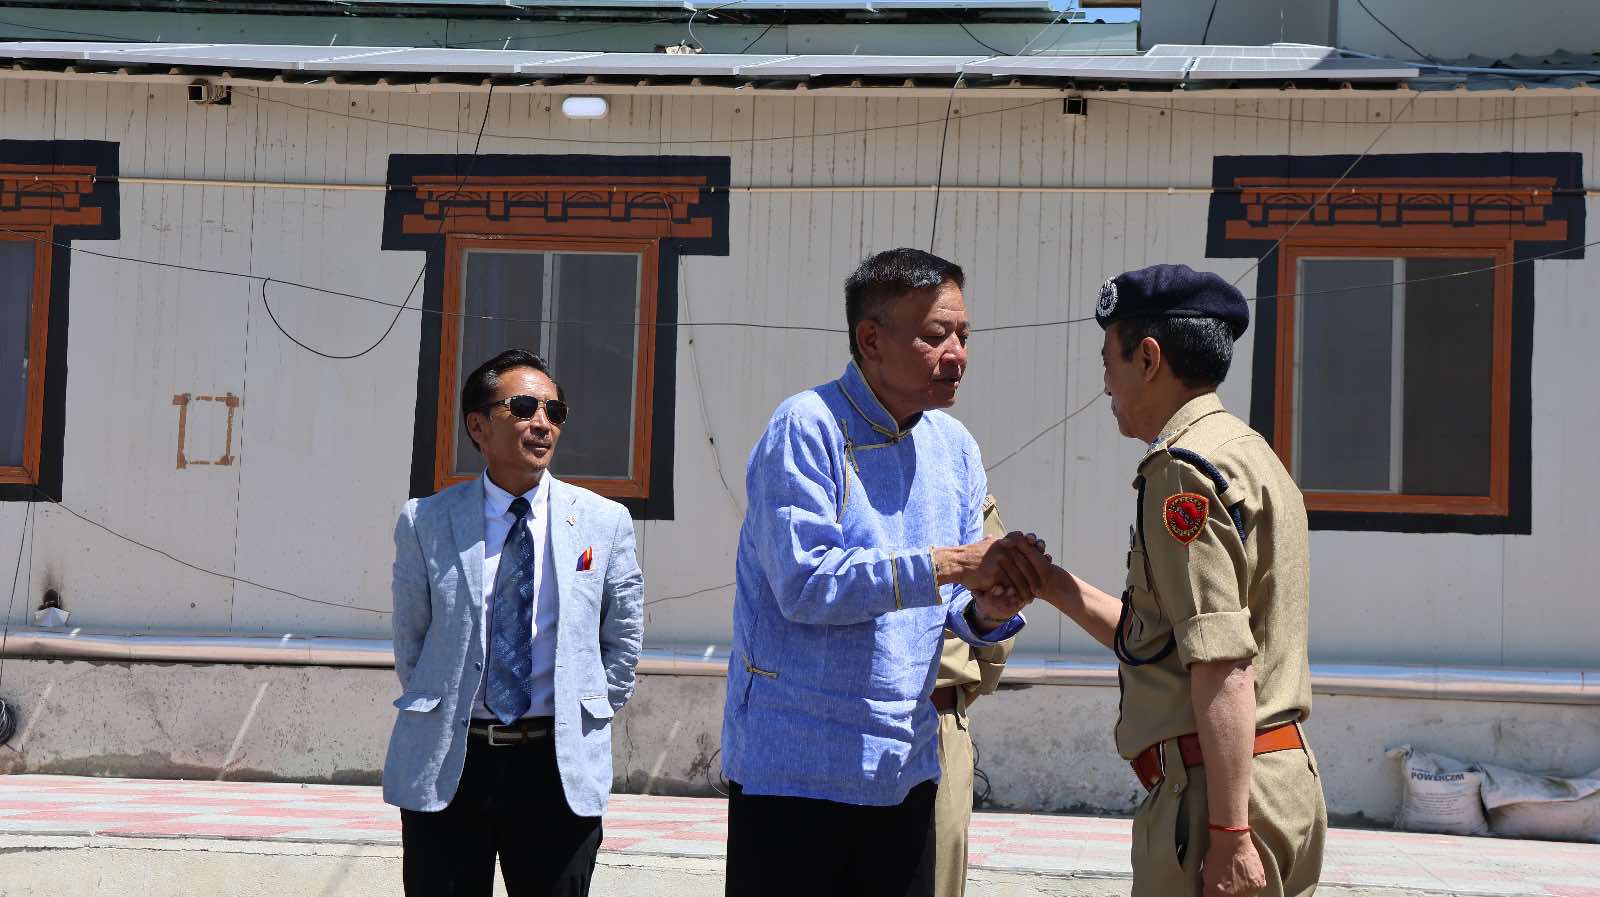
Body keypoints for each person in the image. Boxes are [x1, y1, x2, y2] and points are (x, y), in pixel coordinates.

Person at [720, 247, 1050, 897]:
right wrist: (956, 564)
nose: (956, 353)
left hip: (904, 768)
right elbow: (805, 583)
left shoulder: (953, 447)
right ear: (871, 339)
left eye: (963, 334)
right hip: (796, 775)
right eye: (935, 335)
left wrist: (990, 601)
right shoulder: (806, 428)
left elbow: (955, 610)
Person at [1037, 264, 1325, 897]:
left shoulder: (1182, 471)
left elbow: (1222, 664)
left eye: (1108, 358)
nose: (1105, 380)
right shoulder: (1248, 453)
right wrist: (1053, 585)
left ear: (1148, 358)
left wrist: (1228, 834)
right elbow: (1166, 641)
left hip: (1221, 794)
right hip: (1274, 779)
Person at [382, 349, 645, 897]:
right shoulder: (427, 521)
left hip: (556, 764)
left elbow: (621, 641)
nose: (543, 423)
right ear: (478, 426)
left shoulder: (603, 521)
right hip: (453, 763)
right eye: (524, 407)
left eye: (555, 411)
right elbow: (413, 643)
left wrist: (586, 708)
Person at [932, 494, 1016, 897]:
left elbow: (996, 616)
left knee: (933, 878)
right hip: (827, 729)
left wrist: (956, 698)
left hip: (930, 724)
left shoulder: (962, 485)